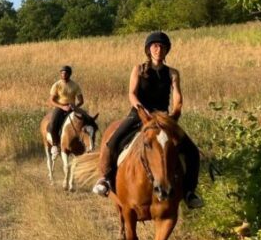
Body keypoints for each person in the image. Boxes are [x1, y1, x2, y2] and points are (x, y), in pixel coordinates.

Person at [92, 32, 204, 209]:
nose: (159, 49)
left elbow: (177, 97)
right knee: (113, 141)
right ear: (148, 49)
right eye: (155, 46)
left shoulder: (173, 73)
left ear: (167, 50)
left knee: (191, 151)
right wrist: (141, 110)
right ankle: (105, 178)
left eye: (162, 47)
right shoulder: (138, 69)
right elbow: (132, 93)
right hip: (139, 114)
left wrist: (175, 112)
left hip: (163, 118)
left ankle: (189, 192)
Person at [48, 65, 84, 157]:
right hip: (60, 107)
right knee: (53, 124)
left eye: (65, 73)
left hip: (72, 107)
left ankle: (85, 143)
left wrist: (75, 106)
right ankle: (55, 145)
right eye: (62, 73)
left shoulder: (75, 85)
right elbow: (51, 100)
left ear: (69, 74)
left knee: (85, 120)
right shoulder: (57, 85)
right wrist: (62, 107)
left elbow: (81, 101)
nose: (63, 75)